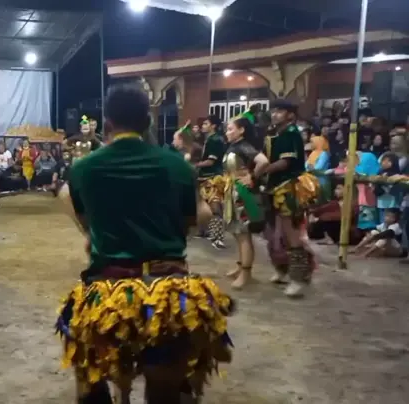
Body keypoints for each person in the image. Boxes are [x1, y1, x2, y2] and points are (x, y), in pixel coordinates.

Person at [56, 84, 234, 404]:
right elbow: (201, 215)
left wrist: (93, 235)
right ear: (148, 122)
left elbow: (80, 213)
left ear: (107, 123)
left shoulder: (84, 167)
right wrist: (174, 234)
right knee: (167, 386)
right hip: (168, 290)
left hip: (108, 289)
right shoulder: (177, 165)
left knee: (90, 375)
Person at [256, 100, 320, 298]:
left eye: (280, 111)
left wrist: (261, 170)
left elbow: (285, 163)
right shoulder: (276, 133)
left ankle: (298, 278)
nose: (275, 114)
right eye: (273, 111)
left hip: (287, 187)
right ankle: (282, 269)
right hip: (274, 186)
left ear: (290, 115)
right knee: (273, 234)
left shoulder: (291, 133)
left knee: (291, 233)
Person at [222, 115, 269, 289]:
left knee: (243, 234)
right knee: (237, 232)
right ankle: (240, 266)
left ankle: (246, 273)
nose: (227, 132)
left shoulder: (244, 146)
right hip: (233, 191)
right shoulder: (235, 146)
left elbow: (263, 161)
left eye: (230, 129)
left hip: (242, 193)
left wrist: (252, 176)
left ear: (241, 130)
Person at [196, 116, 226, 248]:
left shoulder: (215, 140)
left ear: (213, 126)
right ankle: (209, 233)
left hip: (213, 177)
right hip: (207, 176)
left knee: (215, 206)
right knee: (208, 207)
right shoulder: (210, 139)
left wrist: (195, 165)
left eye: (206, 123)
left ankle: (217, 237)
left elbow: (210, 161)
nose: (203, 126)